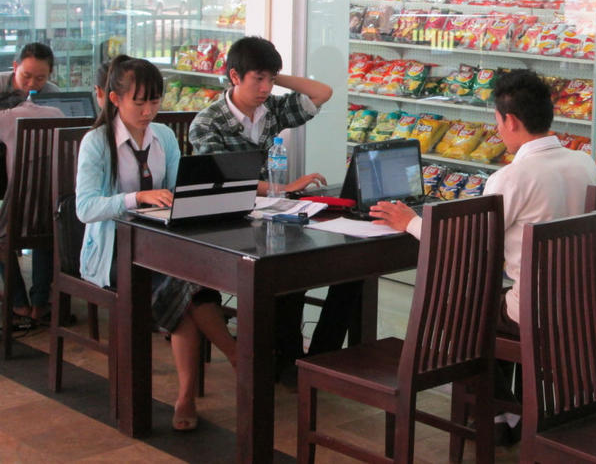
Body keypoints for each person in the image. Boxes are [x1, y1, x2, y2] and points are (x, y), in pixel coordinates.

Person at [370, 69, 596, 441]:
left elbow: (464, 240)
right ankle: (514, 412)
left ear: (510, 120)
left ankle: (498, 412)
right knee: (486, 304)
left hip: (531, 311)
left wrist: (409, 221)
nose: (497, 131)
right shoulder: (584, 163)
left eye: (496, 122)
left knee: (455, 311)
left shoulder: (513, 177)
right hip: (579, 305)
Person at [76, 55, 237, 432]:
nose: (149, 111)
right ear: (115, 99)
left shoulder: (163, 137)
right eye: (140, 102)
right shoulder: (96, 143)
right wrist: (137, 199)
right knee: (186, 283)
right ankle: (231, 359)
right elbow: (85, 208)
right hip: (115, 251)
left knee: (190, 279)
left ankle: (190, 392)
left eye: (155, 101)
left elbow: (181, 190)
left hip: (163, 245)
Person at [189, 36, 359, 385]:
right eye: (258, 79)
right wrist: (285, 188)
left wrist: (274, 75)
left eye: (270, 80)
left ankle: (308, 362)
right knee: (287, 274)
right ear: (234, 76)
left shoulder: (272, 109)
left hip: (268, 215)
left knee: (343, 270)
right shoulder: (208, 123)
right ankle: (285, 362)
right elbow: (223, 181)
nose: (265, 88)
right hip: (224, 223)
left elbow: (322, 92)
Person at [0, 90, 65, 326]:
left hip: (21, 217)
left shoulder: (5, 117)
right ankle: (40, 304)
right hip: (56, 215)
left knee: (1, 239)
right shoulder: (57, 112)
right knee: (43, 237)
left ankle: (18, 303)